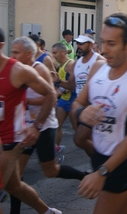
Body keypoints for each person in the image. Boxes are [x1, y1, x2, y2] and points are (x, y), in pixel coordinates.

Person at [72, 13, 127, 213]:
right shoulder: (98, 67)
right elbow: (77, 103)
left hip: (123, 162)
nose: (104, 50)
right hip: (100, 155)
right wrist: (83, 113)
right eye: (102, 42)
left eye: (112, 44)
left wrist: (102, 173)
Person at [9, 36, 87, 213]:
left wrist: (25, 103)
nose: (12, 55)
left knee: (50, 171)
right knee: (16, 177)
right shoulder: (17, 70)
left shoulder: (39, 70)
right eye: (11, 52)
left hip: (44, 126)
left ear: (29, 53)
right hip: (25, 129)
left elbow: (50, 99)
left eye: (16, 52)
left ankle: (84, 176)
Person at [0, 29, 60, 213]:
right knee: (14, 186)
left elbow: (50, 94)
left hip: (12, 140)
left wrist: (37, 127)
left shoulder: (19, 71)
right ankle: (48, 212)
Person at [71, 34, 105, 158]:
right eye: (78, 44)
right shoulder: (77, 63)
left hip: (94, 107)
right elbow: (74, 85)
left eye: (82, 44)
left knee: (83, 139)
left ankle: (101, 166)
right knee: (81, 140)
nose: (78, 46)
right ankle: (98, 164)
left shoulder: (99, 60)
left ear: (91, 45)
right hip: (81, 107)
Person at [51, 42, 76, 156]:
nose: (53, 55)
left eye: (55, 53)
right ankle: (56, 151)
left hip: (73, 101)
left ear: (63, 52)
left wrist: (59, 89)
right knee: (58, 125)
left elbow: (73, 85)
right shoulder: (60, 65)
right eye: (53, 53)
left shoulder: (70, 64)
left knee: (79, 131)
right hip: (64, 100)